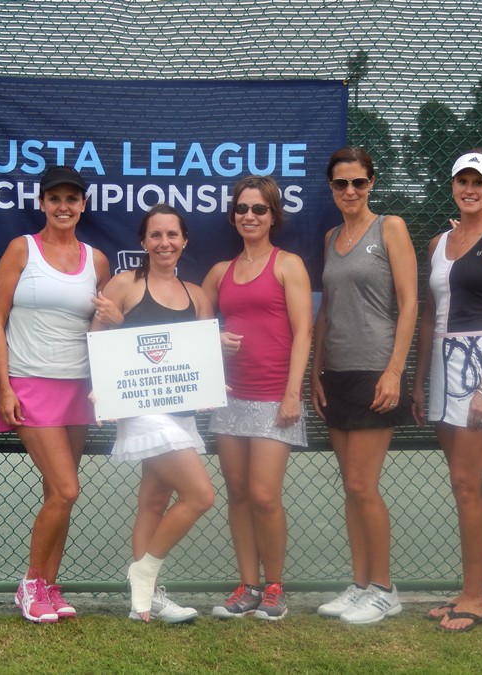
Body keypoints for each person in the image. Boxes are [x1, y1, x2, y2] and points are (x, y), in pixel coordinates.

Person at [0, 165, 110, 623]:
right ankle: (31, 584)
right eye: (54, 198)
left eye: (71, 199)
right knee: (66, 488)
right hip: (29, 383)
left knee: (58, 494)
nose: (63, 206)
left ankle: (50, 587)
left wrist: (113, 319)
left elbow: (101, 325)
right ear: (41, 203)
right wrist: (4, 385)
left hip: (78, 387)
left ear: (83, 205)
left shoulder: (97, 261)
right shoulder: (22, 249)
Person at [411, 151, 482, 631]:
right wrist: (419, 382)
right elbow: (428, 317)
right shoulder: (438, 242)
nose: (470, 189)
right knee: (461, 484)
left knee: (466, 481)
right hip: (442, 371)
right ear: (454, 185)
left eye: (480, 182)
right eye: (463, 180)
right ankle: (466, 591)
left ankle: (476, 598)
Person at [91, 204, 216, 623]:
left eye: (172, 235)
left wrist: (216, 368)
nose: (165, 243)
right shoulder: (124, 283)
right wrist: (102, 389)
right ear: (143, 241)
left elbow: (199, 356)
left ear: (184, 241)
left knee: (155, 499)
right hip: (141, 409)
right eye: (156, 235)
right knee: (200, 495)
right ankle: (143, 573)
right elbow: (98, 340)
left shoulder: (196, 294)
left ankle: (144, 601)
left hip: (181, 412)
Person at [311, 147, 418, 624]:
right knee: (350, 488)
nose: (350, 191)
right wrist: (316, 372)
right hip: (336, 373)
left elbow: (409, 303)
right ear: (331, 188)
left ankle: (384, 589)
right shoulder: (330, 237)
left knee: (362, 484)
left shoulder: (390, 227)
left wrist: (394, 371)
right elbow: (326, 312)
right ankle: (360, 586)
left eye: (358, 182)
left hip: (376, 370)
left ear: (371, 183)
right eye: (341, 184)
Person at [202, 175, 312, 621]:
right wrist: (213, 341)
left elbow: (304, 332)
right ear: (233, 216)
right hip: (230, 398)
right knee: (239, 493)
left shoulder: (289, 265)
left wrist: (292, 394)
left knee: (265, 495)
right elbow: (194, 330)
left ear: (273, 215)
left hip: (273, 397)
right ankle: (247, 585)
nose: (250, 216)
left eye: (259, 209)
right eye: (242, 209)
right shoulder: (219, 273)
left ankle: (275, 587)